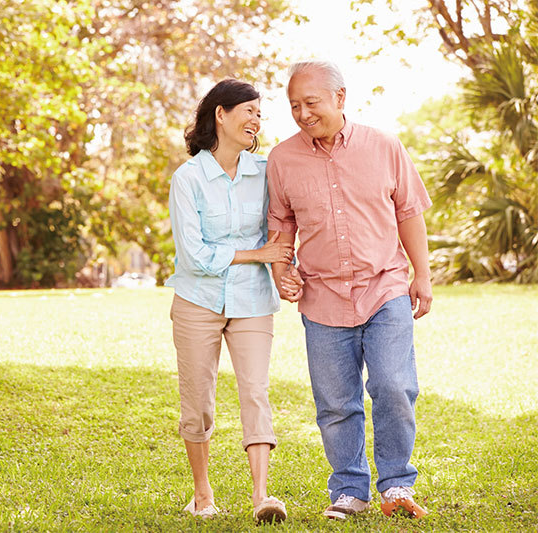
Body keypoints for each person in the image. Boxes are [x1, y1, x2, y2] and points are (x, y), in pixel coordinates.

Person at [266, 60, 433, 520]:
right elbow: (282, 224)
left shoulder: (384, 146)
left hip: (385, 288)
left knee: (394, 386)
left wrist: (423, 274)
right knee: (336, 403)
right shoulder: (281, 159)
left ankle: (397, 486)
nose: (302, 113)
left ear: (340, 98)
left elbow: (409, 212)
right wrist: (284, 269)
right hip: (322, 298)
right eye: (294, 105)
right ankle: (349, 490)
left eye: (311, 103)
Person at [166, 78, 299, 523]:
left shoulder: (265, 172)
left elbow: (281, 229)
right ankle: (203, 495)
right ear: (220, 115)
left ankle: (263, 497)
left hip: (253, 300)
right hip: (197, 301)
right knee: (198, 401)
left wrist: (281, 267)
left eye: (260, 113)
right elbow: (195, 254)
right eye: (249, 111)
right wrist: (257, 254)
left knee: (255, 393)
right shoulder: (187, 179)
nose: (256, 120)